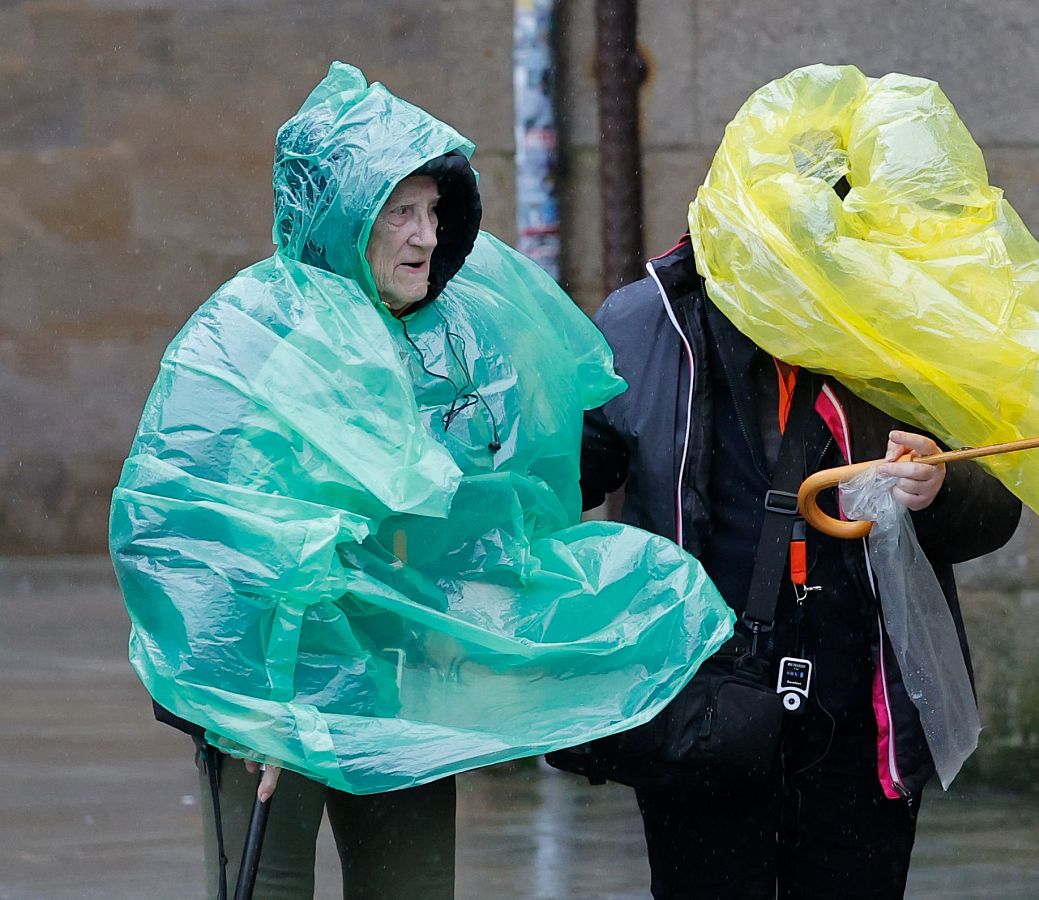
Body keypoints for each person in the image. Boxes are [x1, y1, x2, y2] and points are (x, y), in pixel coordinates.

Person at [113, 63, 733, 900]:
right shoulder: (250, 334)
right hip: (272, 699)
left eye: (433, 211)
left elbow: (504, 486)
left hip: (401, 680)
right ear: (341, 217)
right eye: (397, 212)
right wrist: (244, 711)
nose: (424, 236)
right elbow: (188, 526)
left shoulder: (463, 329)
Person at [581, 236, 1023, 899]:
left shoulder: (908, 322)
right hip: (702, 705)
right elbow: (576, 464)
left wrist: (942, 489)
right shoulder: (648, 321)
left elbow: (997, 505)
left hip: (859, 716)